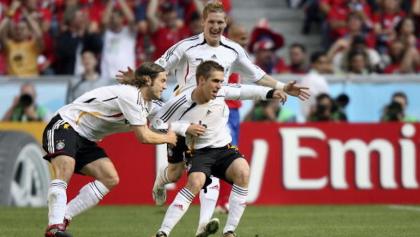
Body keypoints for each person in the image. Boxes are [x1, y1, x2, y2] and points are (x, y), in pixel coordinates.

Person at [146, 2, 310, 236]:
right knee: (174, 173)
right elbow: (157, 68)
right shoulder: (185, 47)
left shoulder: (232, 50)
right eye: (211, 22)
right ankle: (159, 184)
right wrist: (138, 82)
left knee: (205, 175)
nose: (215, 26)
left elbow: (254, 77)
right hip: (182, 114)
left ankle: (208, 228)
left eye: (220, 22)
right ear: (203, 22)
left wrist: (281, 87)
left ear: (226, 24)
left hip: (210, 119)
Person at [152, 61, 305, 237]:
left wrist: (271, 92)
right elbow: (156, 124)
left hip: (223, 147)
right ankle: (163, 232)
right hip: (198, 150)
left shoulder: (221, 92)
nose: (219, 86)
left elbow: (243, 91)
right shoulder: (182, 101)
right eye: (215, 81)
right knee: (188, 180)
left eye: (221, 81)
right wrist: (184, 128)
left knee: (243, 172)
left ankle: (229, 232)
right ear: (201, 80)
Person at [42, 62, 177, 237]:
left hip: (86, 138)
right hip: (66, 124)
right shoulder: (131, 95)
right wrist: (168, 138)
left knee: (110, 178)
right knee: (65, 170)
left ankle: (63, 218)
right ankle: (54, 227)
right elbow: (143, 136)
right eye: (162, 80)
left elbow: (171, 115)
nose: (165, 85)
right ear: (147, 80)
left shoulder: (148, 104)